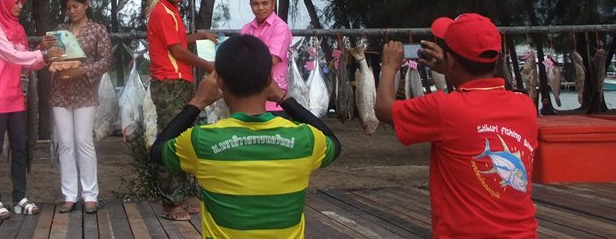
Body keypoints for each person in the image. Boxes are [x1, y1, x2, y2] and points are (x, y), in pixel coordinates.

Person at [150, 34, 340, 238]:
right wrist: (284, 98)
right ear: (269, 80)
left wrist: (197, 102)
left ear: (219, 83)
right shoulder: (305, 139)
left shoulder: (201, 142)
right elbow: (334, 144)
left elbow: (158, 151)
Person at [374, 13, 539, 238]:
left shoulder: (445, 109)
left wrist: (389, 66)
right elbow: (478, 98)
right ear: (497, 57)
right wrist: (453, 71)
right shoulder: (525, 106)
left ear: (451, 61)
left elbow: (384, 108)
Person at [0, 0, 63, 220]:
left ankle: (19, 197)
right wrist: (43, 55)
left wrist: (42, 52)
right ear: (4, 2)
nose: (19, 7)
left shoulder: (18, 29)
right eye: (16, 2)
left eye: (21, 4)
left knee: (20, 148)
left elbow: (27, 62)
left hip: (15, 97)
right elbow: (12, 55)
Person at [146, 0, 217, 221]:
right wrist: (210, 66)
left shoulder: (172, 11)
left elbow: (179, 40)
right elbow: (177, 50)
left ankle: (183, 195)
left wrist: (201, 35)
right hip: (169, 82)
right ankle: (170, 203)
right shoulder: (162, 12)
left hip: (180, 81)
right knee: (170, 138)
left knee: (185, 137)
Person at [40, 0, 112, 214]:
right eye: (68, 7)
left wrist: (83, 71)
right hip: (61, 92)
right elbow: (50, 57)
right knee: (66, 143)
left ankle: (90, 195)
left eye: (75, 6)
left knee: (83, 141)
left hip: (85, 93)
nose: (71, 11)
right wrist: (47, 49)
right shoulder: (60, 31)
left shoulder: (98, 30)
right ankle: (69, 194)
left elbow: (106, 60)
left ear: (86, 4)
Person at [240, 0, 292, 115]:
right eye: (256, 4)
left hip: (274, 98)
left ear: (273, 4)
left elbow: (272, 59)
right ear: (251, 6)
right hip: (249, 97)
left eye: (265, 3)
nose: (260, 8)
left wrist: (245, 60)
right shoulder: (246, 30)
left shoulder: (281, 27)